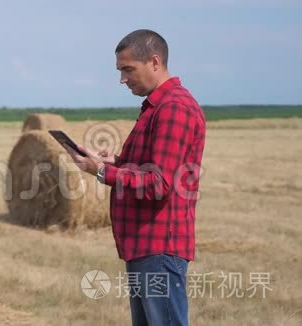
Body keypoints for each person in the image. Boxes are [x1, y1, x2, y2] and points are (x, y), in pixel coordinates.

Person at [63, 29, 206, 326]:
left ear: (154, 62)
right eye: (120, 71)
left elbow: (160, 183)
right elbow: (150, 166)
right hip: (145, 244)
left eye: (128, 69)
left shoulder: (174, 108)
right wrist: (113, 161)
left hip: (159, 246)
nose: (122, 79)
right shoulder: (156, 107)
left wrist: (101, 172)